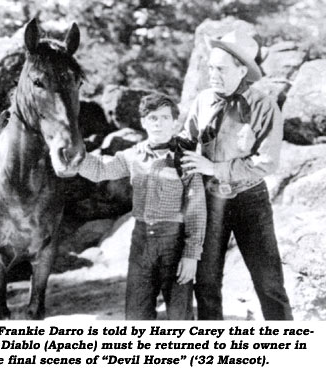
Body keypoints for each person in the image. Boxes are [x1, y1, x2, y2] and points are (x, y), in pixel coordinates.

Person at [181, 30, 293, 320]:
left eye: (221, 69)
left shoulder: (263, 105)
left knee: (269, 283)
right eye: (210, 68)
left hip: (249, 199)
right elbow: (186, 137)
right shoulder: (203, 100)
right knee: (205, 283)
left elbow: (266, 162)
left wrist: (215, 168)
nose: (213, 74)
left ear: (242, 70)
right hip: (210, 201)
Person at [77, 93, 206, 320]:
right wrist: (73, 155)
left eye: (165, 118)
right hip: (141, 243)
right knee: (136, 315)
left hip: (174, 244)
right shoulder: (132, 156)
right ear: (144, 122)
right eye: (153, 118)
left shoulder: (186, 160)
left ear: (175, 122)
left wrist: (191, 256)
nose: (158, 123)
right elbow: (99, 171)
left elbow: (196, 212)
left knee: (180, 316)